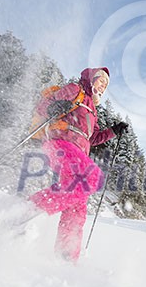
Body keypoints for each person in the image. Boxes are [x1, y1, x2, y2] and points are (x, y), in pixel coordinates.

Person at [28, 67, 127, 262]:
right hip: (60, 143)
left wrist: (113, 131)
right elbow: (45, 105)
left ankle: (66, 255)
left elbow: (94, 137)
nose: (103, 86)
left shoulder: (93, 111)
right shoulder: (76, 90)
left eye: (106, 85)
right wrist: (53, 107)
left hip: (78, 152)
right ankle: (29, 208)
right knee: (92, 177)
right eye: (101, 81)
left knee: (77, 203)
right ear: (92, 79)